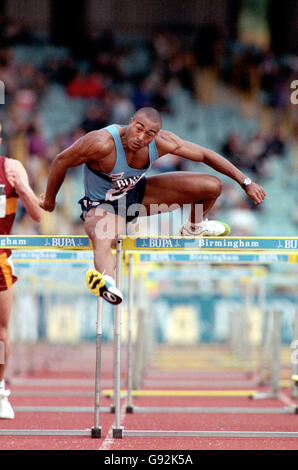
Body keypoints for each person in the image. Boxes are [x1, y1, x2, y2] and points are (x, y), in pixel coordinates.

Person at [40, 107, 266, 305]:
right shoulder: (101, 142)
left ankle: (193, 227)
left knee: (212, 186)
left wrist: (245, 182)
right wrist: (50, 200)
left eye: (149, 134)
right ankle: (107, 282)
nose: (141, 138)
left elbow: (206, 155)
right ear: (130, 122)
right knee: (104, 233)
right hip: (103, 205)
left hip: (137, 196)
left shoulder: (161, 142)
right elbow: (61, 160)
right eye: (138, 129)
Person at [0, 131, 43, 419]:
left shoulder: (11, 167)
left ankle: (0, 390)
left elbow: (38, 215)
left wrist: (23, 189)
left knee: (1, 330)